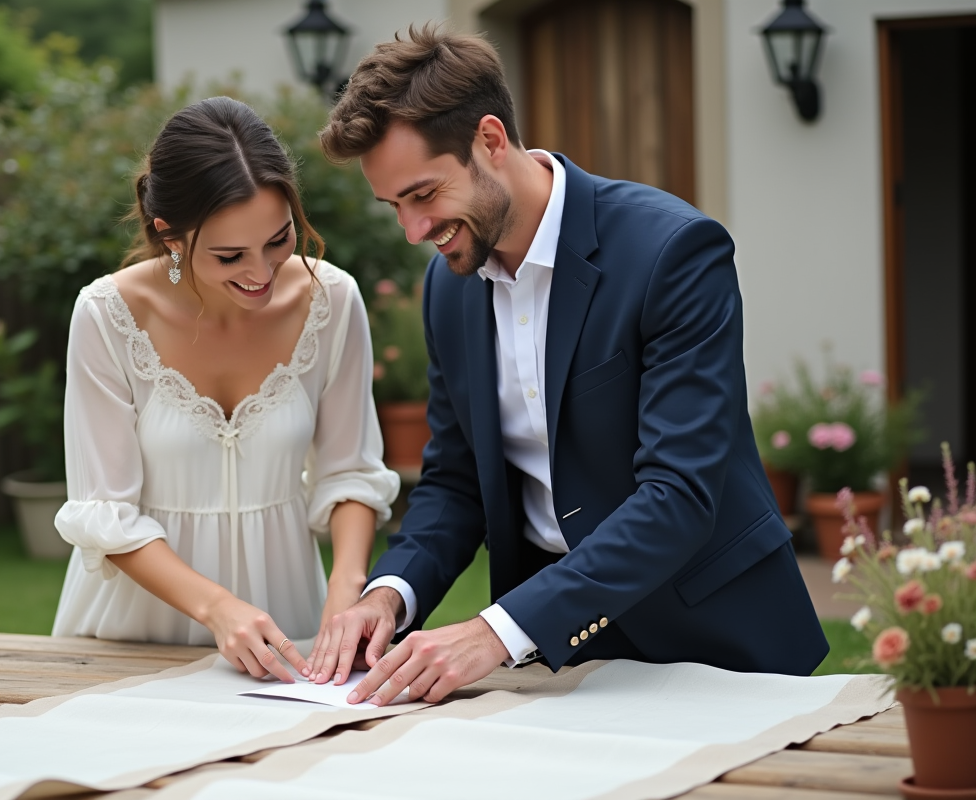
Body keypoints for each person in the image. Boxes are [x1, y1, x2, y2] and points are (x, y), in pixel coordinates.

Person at [304, 26, 829, 704]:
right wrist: (389, 595)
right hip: (564, 661)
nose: (413, 230)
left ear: (490, 140)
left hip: (719, 645)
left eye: (424, 194)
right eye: (395, 206)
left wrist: (495, 631)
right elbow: (455, 485)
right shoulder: (448, 288)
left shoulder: (673, 253)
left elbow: (678, 495)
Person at [51, 96, 399, 683]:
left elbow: (350, 471)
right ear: (170, 235)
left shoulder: (333, 301)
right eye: (230, 255)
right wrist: (217, 607)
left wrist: (347, 588)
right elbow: (105, 511)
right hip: (133, 635)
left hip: (290, 622)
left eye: (279, 240)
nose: (261, 273)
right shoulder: (106, 316)